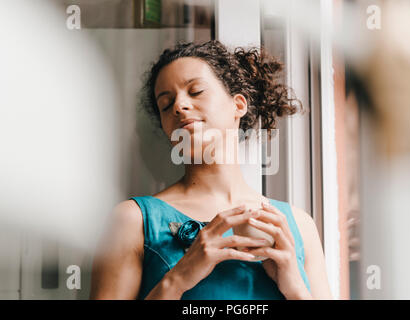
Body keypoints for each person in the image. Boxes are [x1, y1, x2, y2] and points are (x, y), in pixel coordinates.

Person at [90, 40, 332, 300]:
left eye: (195, 91)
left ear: (238, 105)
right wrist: (178, 279)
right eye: (166, 104)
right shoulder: (131, 221)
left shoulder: (299, 225)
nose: (179, 106)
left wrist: (294, 287)